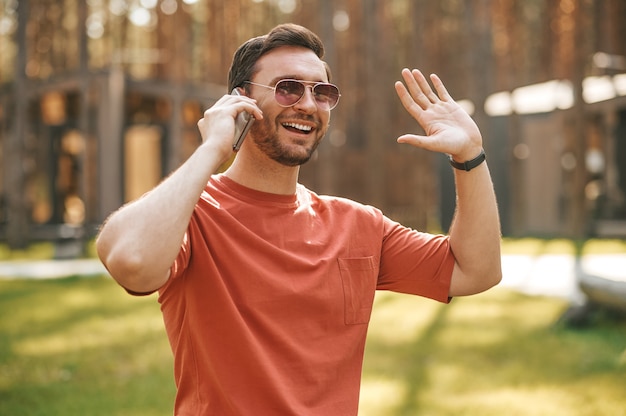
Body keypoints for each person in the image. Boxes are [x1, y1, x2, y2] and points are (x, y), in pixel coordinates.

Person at [96, 23, 502, 415]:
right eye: (288, 88)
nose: (307, 104)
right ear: (241, 101)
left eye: (321, 92)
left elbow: (476, 270)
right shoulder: (194, 214)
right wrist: (212, 150)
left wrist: (469, 157)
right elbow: (132, 262)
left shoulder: (358, 225)